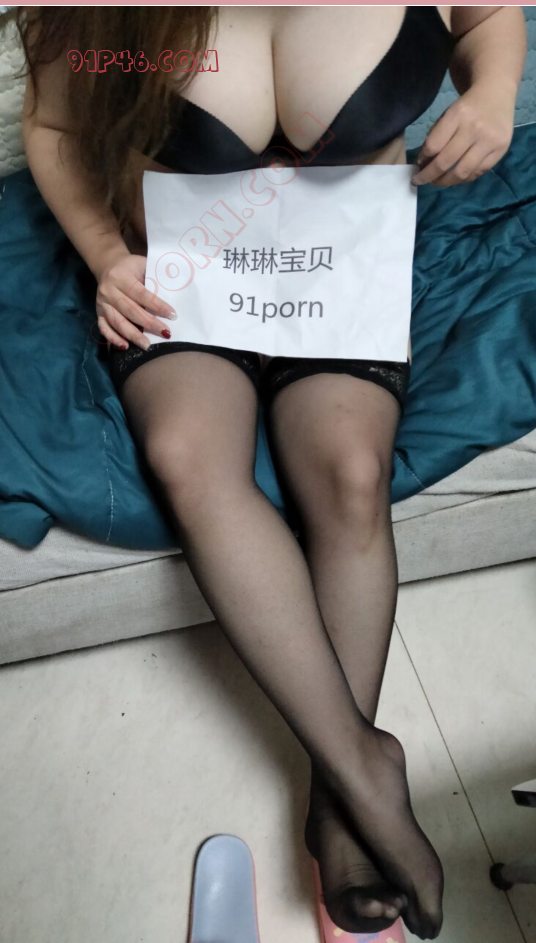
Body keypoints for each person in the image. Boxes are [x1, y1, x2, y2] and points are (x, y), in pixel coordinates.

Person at [15, 5, 527, 939]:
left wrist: (493, 92)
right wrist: (106, 258)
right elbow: (50, 124)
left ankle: (337, 798)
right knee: (185, 454)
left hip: (340, 269)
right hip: (182, 273)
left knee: (352, 473)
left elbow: (487, 16)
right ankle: (362, 765)